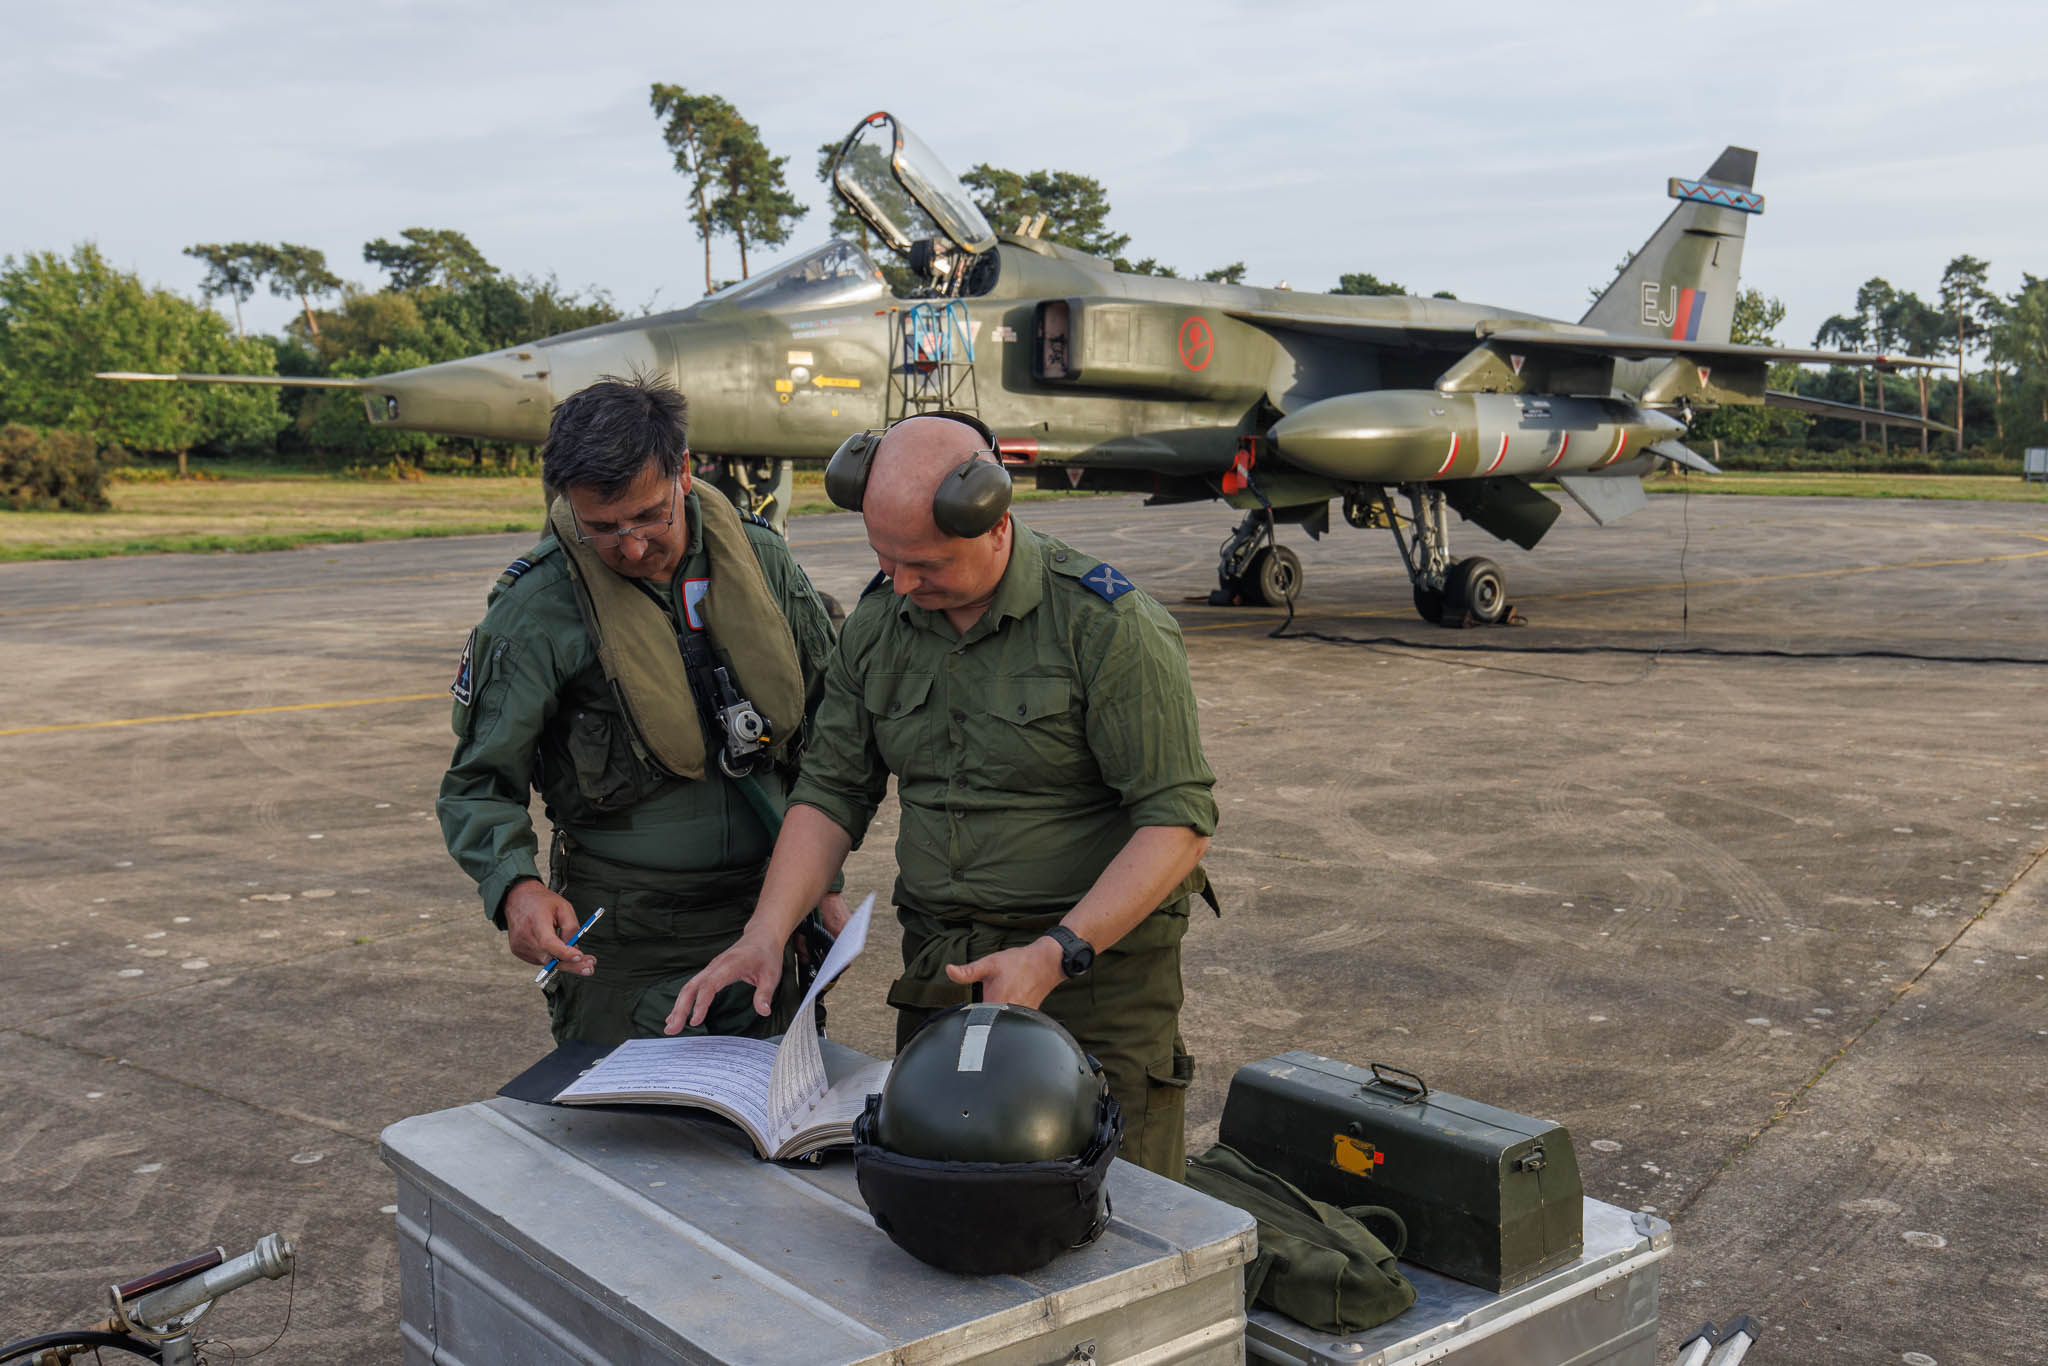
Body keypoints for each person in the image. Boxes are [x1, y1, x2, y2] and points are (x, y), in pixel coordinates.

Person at [667, 412, 1218, 1177]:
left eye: (923, 563)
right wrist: (765, 933)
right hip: (943, 973)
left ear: (994, 524)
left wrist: (1054, 955)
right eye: (883, 559)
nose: (899, 583)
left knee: (1118, 1213)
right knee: (944, 1196)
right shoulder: (879, 625)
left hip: (1094, 982)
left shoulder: (1108, 627)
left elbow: (1178, 824)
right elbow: (830, 791)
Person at [436, 374, 843, 1048]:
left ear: (684, 472)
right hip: (627, 944)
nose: (629, 547)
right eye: (602, 527)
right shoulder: (537, 609)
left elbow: (832, 746)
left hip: (766, 920)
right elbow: (478, 781)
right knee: (625, 1143)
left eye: (649, 516)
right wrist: (516, 888)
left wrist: (821, 884)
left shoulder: (764, 564)